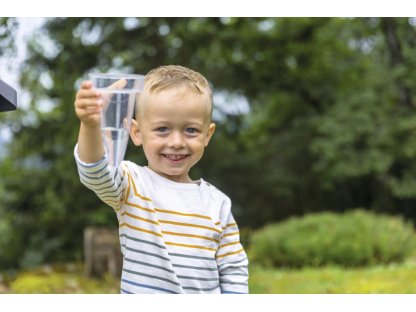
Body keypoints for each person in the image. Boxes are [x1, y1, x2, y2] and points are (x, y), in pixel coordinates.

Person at [73, 65, 249, 294]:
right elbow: (95, 172)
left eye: (191, 130)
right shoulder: (132, 183)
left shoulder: (218, 204)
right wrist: (90, 125)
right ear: (136, 132)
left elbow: (233, 271)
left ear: (208, 134)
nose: (176, 141)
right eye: (163, 129)